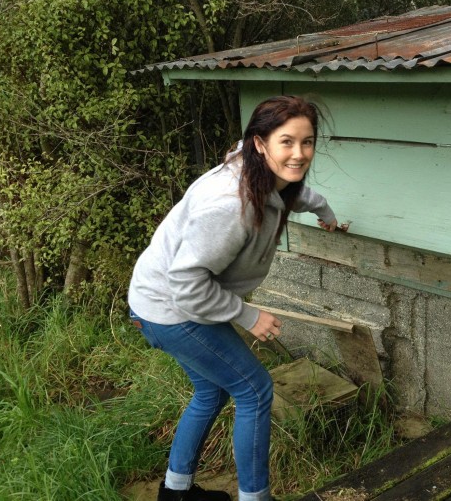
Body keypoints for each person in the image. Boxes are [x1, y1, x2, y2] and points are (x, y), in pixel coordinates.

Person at [128, 96, 338, 501]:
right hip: (169, 308)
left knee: (212, 391)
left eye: (307, 142)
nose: (299, 154)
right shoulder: (231, 205)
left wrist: (327, 214)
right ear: (260, 143)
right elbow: (187, 283)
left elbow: (297, 193)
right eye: (287, 142)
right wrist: (246, 315)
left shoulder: (267, 175)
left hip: (163, 302)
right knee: (254, 389)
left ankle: (175, 492)